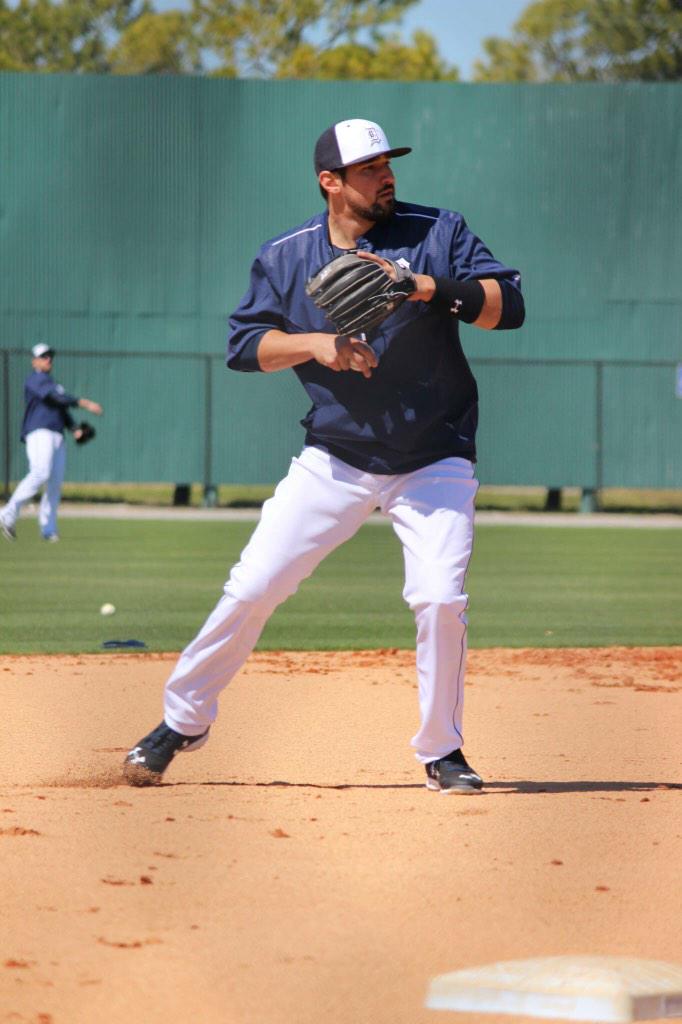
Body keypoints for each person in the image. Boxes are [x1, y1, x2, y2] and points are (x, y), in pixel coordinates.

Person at [123, 117, 525, 793]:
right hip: (335, 456)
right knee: (253, 585)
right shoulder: (287, 255)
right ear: (329, 182)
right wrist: (315, 344)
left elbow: (507, 306)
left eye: (387, 163)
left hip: (434, 455)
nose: (386, 174)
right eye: (368, 168)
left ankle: (441, 751)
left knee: (438, 599)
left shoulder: (437, 231)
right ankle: (183, 720)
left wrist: (427, 287)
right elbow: (244, 348)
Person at [0, 343, 103, 542]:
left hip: (57, 435)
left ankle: (48, 529)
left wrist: (74, 429)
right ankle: (7, 514)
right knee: (40, 472)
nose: (48, 359)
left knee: (54, 483)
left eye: (50, 356)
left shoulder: (54, 384)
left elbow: (61, 409)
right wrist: (84, 403)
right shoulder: (35, 379)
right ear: (35, 361)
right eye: (44, 356)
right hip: (39, 432)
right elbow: (55, 398)